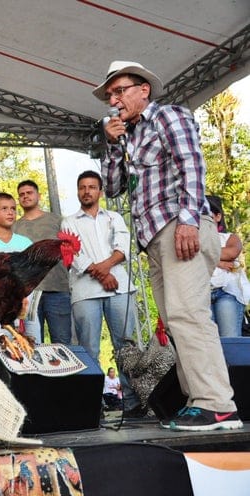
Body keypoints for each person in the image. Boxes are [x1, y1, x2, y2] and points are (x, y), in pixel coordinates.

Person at [95, 60, 242, 431]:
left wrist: (190, 220)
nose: (114, 100)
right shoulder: (127, 136)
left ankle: (218, 405)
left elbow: (192, 165)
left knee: (189, 315)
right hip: (154, 237)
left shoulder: (168, 116)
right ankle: (200, 402)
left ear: (144, 89)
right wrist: (112, 146)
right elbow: (111, 187)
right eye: (109, 94)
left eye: (120, 90)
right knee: (175, 321)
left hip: (180, 225)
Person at [61, 170, 141, 417]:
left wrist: (105, 270)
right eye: (83, 187)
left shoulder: (114, 217)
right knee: (88, 348)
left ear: (100, 191)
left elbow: (124, 247)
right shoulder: (68, 221)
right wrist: (104, 274)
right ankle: (91, 405)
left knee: (125, 346)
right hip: (85, 292)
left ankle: (133, 401)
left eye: (92, 187)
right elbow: (74, 255)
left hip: (120, 288)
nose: (87, 191)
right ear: (78, 191)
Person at [15, 180, 73, 345]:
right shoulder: (14, 227)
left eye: (29, 193)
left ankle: (66, 371)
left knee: (62, 343)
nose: (25, 196)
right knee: (31, 343)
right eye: (22, 194)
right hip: (29, 294)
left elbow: (71, 250)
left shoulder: (57, 220)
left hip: (57, 289)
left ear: (38, 196)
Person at [0, 192, 36, 341]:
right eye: (4, 208)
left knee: (31, 343)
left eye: (13, 208)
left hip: (25, 305)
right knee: (3, 347)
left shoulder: (25, 243)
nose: (10, 212)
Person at [206, 195, 250, 338]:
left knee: (229, 338)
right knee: (205, 341)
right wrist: (218, 262)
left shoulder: (230, 237)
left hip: (227, 292)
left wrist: (203, 256)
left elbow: (231, 253)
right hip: (202, 293)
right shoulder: (194, 240)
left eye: (206, 214)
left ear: (218, 216)